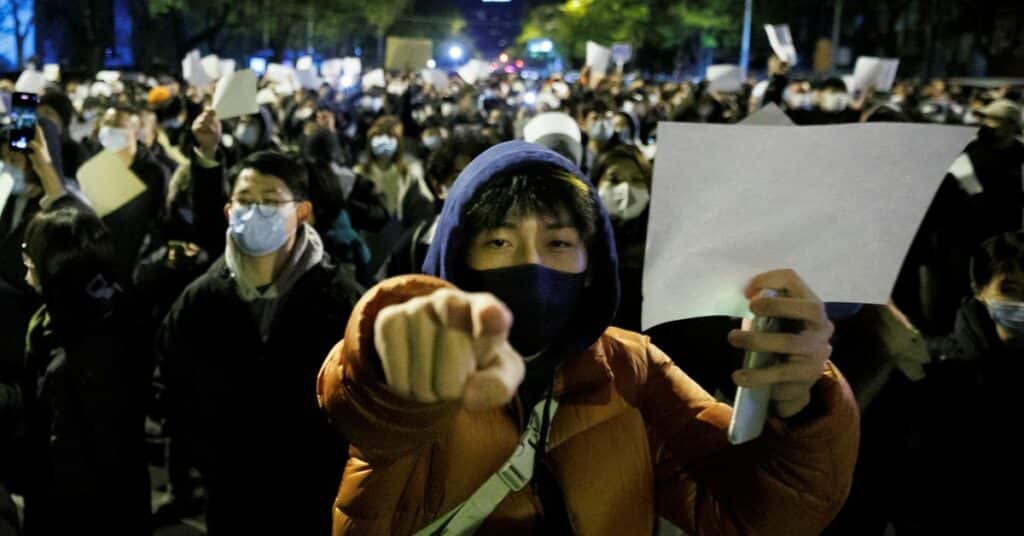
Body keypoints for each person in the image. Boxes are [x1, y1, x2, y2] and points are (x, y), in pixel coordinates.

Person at [318, 141, 859, 534]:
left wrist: (801, 407)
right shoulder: (426, 375)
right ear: (458, 255)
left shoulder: (632, 369)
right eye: (500, 242)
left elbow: (760, 512)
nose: (530, 264)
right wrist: (391, 356)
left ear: (591, 263)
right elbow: (366, 402)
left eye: (558, 243)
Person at [157, 149, 363, 535]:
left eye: (270, 202)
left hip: (314, 495)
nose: (254, 212)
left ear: (302, 212)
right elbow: (170, 385)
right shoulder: (200, 300)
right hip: (230, 494)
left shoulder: (342, 301)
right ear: (228, 211)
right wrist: (209, 456)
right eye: (246, 201)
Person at [14, 202, 152, 535]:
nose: (25, 265)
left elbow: (66, 468)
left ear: (56, 267)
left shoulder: (71, 359)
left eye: (29, 254)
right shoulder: (111, 307)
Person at [592, 144, 652, 331]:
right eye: (614, 179)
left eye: (636, 179)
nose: (626, 188)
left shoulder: (664, 244)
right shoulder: (580, 242)